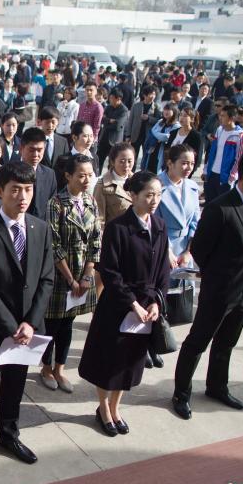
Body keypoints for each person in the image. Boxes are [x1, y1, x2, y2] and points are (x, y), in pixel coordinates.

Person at [172, 149, 243, 419]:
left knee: (226, 343)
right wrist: (218, 277)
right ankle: (181, 393)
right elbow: (202, 250)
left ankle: (217, 386)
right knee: (198, 342)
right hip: (219, 291)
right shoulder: (220, 208)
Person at [0, 161, 55, 474]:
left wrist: (30, 322)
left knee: (16, 382)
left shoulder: (40, 228)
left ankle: (9, 433)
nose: (22, 196)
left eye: (28, 189)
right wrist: (10, 326)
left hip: (28, 327)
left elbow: (46, 278)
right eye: (15, 189)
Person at [79, 171, 169, 436]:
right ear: (133, 196)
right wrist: (133, 304)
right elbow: (110, 271)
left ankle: (117, 406)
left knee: (129, 363)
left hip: (146, 307)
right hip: (119, 306)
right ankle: (103, 408)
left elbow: (163, 270)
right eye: (148, 195)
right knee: (108, 361)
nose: (154, 200)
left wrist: (156, 302)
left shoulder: (160, 226)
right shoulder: (118, 229)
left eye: (158, 195)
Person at [40, 154, 99, 393]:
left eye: (89, 174)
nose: (86, 180)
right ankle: (45, 367)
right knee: (51, 325)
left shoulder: (90, 201)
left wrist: (87, 275)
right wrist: (70, 279)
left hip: (82, 274)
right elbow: (54, 245)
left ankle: (60, 368)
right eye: (81, 175)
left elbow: (96, 239)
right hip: (60, 276)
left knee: (69, 324)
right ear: (68, 176)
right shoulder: (56, 204)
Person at [158, 144, 201, 273]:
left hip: (185, 251)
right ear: (170, 163)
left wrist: (189, 251)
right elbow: (153, 224)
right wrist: (167, 251)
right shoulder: (156, 185)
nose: (189, 168)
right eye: (184, 163)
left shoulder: (192, 187)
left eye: (192, 164)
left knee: (184, 290)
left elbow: (195, 222)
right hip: (162, 246)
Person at [203, 105, 243, 202]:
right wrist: (206, 169)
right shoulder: (219, 130)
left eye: (223, 116)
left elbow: (240, 158)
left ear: (232, 118)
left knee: (222, 207)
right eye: (220, 115)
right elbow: (212, 152)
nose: (220, 118)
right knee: (209, 205)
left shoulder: (240, 136)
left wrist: (231, 177)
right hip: (212, 174)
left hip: (225, 178)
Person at [94, 142, 135, 230]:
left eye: (130, 161)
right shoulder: (102, 186)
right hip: (116, 235)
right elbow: (99, 219)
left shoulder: (139, 180)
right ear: (112, 161)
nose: (126, 165)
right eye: (122, 161)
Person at [19, 126, 57, 220]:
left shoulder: (49, 174)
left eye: (39, 150)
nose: (36, 155)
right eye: (31, 150)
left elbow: (52, 206)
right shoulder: (9, 172)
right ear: (21, 148)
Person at [143, 102, 179, 174]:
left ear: (174, 111)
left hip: (164, 152)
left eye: (168, 110)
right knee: (149, 170)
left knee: (160, 171)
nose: (165, 112)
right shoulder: (160, 121)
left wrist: (156, 134)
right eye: (165, 109)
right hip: (153, 149)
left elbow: (166, 137)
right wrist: (158, 136)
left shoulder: (176, 125)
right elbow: (152, 131)